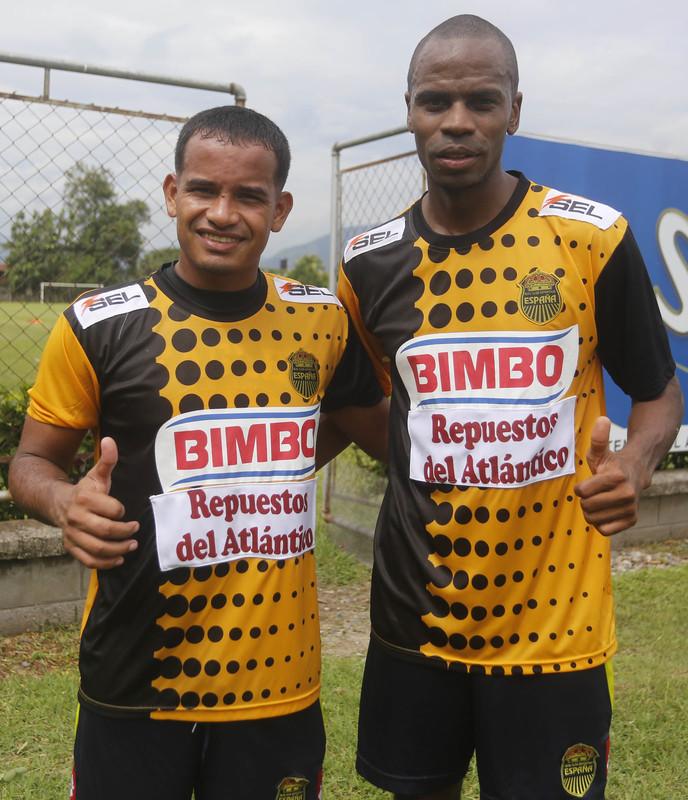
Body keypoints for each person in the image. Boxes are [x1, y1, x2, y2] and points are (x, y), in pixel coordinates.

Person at [336, 14, 683, 800]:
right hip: (413, 620)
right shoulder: (367, 263)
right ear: (409, 110)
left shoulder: (592, 239)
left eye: (481, 101)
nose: (456, 122)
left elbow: (659, 391)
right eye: (435, 102)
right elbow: (359, 401)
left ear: (514, 110)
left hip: (554, 629)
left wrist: (634, 462)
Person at [9, 105, 386, 800]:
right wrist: (63, 501)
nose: (223, 212)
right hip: (136, 673)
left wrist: (285, 464)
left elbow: (377, 429)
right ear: (172, 193)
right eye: (204, 190)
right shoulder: (98, 327)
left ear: (280, 209)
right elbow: (31, 462)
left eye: (249, 196)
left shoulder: (323, 320)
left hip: (276, 679)